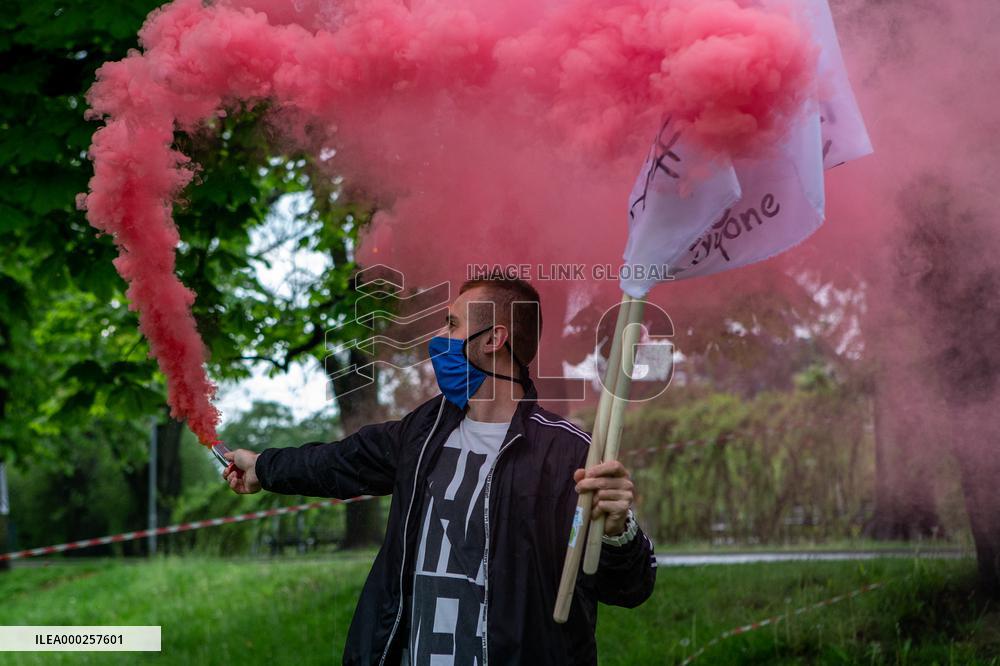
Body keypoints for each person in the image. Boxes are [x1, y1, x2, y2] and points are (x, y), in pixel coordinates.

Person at [223, 277, 656, 665]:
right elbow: (337, 462)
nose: (438, 338)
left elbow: (629, 588)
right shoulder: (423, 432)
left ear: (494, 339)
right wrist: (263, 467)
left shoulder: (569, 454)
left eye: (451, 325)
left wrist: (619, 529)